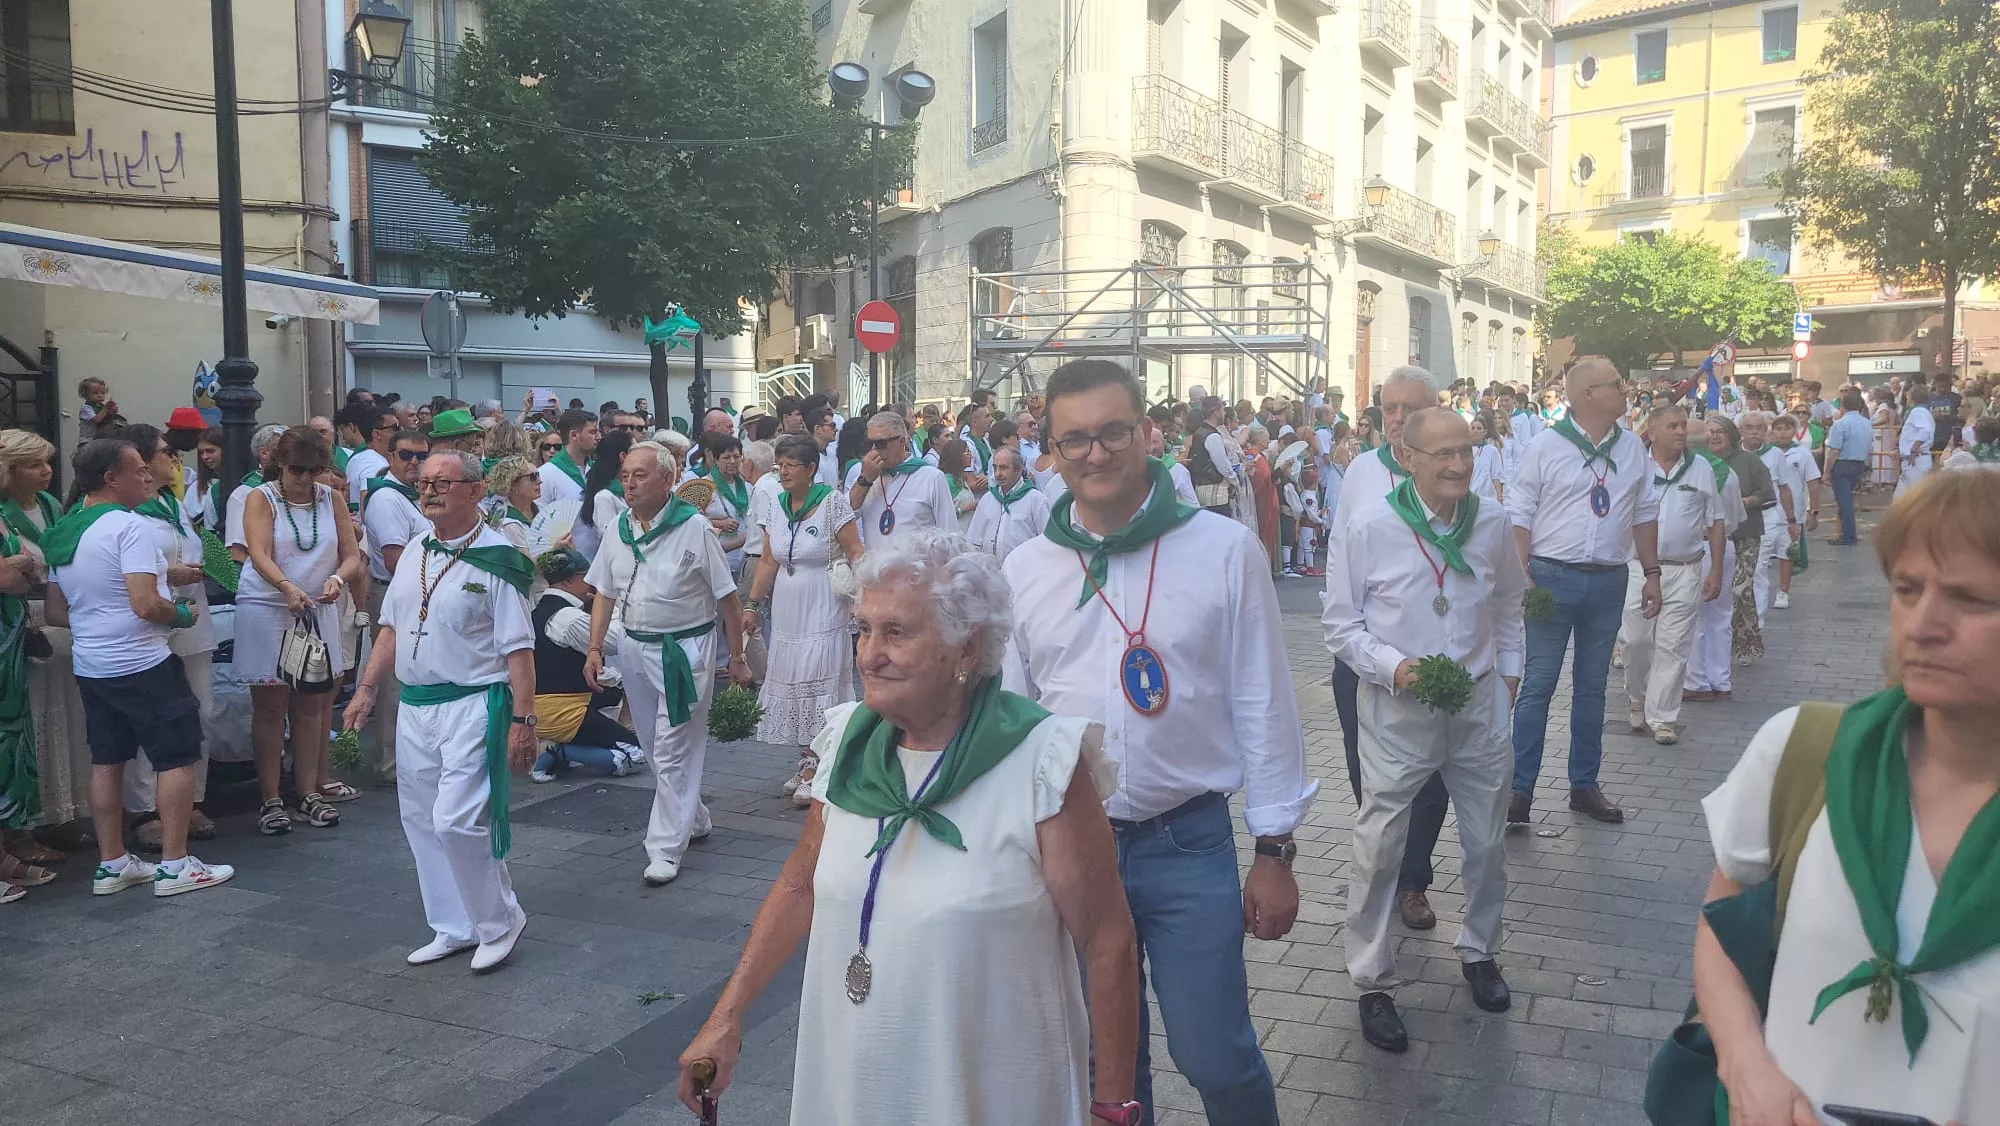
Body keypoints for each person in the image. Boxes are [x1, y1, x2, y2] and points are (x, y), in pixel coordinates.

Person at [676, 528, 1140, 1124]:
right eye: (864, 629)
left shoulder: (1041, 761)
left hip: (988, 1087)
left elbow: (1107, 940)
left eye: (896, 632)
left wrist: (1113, 1106)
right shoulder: (847, 741)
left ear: (967, 649)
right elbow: (799, 886)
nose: (869, 654)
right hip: (854, 1075)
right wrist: (726, 1016)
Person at [1003, 358, 1315, 1126]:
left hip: (1187, 842)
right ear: (1051, 450)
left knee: (1216, 1056)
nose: (1095, 453)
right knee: (1105, 1068)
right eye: (1074, 439)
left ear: (1146, 432)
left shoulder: (1223, 549)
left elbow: (1263, 700)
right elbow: (1013, 719)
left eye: (1113, 432)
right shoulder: (1027, 567)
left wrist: (1274, 848)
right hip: (1074, 845)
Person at [1693, 470, 1998, 1126]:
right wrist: (1743, 1065)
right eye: (1907, 589)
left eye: (1971, 599)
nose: (1923, 625)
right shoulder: (1806, 751)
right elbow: (1720, 927)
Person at [1323, 408, 1525, 1052]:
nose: (1459, 465)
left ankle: (1480, 950)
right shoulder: (1370, 526)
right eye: (1443, 454)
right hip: (1397, 707)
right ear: (1407, 457)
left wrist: (1509, 676)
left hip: (1478, 704)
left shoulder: (1491, 522)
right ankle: (1371, 979)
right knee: (1381, 841)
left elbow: (1508, 604)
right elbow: (1340, 627)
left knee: (1486, 839)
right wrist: (1394, 667)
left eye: (1466, 451)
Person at [342, 450, 536, 972]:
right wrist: (366, 688)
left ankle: (500, 920)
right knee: (421, 820)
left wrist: (524, 720)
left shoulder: (499, 558)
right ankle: (454, 925)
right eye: (424, 482)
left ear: (475, 490)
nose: (428, 491)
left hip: (473, 703)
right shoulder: (414, 550)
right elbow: (391, 628)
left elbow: (518, 648)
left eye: (442, 483)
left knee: (455, 821)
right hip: (416, 705)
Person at [43, 439, 233, 897]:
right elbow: (146, 604)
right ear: (112, 478)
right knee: (177, 756)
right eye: (139, 470)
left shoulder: (65, 529)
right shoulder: (129, 527)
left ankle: (112, 862)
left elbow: (55, 610)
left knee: (107, 759)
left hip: (93, 664)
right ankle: (175, 864)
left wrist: (99, 621)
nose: (148, 477)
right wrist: (181, 614)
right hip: (142, 660)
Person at [583, 441, 752, 885]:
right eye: (625, 476)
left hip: (684, 652)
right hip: (633, 647)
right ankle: (692, 817)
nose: (630, 484)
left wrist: (737, 656)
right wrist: (595, 648)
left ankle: (663, 848)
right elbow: (604, 593)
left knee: (672, 746)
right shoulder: (618, 528)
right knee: (651, 741)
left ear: (667, 480)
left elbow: (727, 599)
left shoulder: (695, 528)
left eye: (640, 475)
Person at [1507, 357, 1664, 826]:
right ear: (1588, 395)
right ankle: (1518, 790)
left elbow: (1645, 512)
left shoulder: (1631, 447)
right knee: (1538, 684)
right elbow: (1519, 510)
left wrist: (1652, 572)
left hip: (1609, 579)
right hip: (1550, 577)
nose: (1626, 389)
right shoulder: (1545, 446)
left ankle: (1584, 785)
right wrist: (1521, 572)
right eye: (1617, 384)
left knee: (1593, 688)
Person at [1326, 368, 1454, 931]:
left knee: (1431, 774)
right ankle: (1382, 866)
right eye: (1389, 408)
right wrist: (1345, 632)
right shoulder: (1361, 471)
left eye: (1410, 408)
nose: (1397, 418)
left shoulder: (1454, 469)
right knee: (1366, 766)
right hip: (1363, 653)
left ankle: (1413, 880)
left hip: (1431, 653)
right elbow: (1338, 553)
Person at [234, 427, 365, 835]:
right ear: (280, 464)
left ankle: (308, 791)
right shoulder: (262, 497)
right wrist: (285, 586)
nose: (305, 479)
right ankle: (271, 796)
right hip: (269, 606)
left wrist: (338, 579)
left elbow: (350, 555)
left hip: (316, 606)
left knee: (312, 705)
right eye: (296, 470)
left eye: (313, 470)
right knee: (271, 708)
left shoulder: (331, 498)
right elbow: (258, 552)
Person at [743, 434, 865, 804]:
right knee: (794, 678)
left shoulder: (832, 502)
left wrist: (864, 600)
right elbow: (769, 559)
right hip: (788, 606)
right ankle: (807, 759)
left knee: (818, 676)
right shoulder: (777, 504)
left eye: (791, 466)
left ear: (811, 469)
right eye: (779, 466)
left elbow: (856, 551)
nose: (783, 472)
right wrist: (752, 604)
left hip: (823, 600)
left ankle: (818, 763)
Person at [120, 426, 221, 848]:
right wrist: (167, 574)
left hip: (192, 616)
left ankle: (191, 799)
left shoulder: (170, 502)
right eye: (166, 453)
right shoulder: (129, 510)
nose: (174, 458)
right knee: (153, 715)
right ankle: (146, 808)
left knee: (202, 710)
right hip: (154, 620)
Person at [0, 431, 92, 858]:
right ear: (11, 469)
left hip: (58, 615)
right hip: (24, 618)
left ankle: (63, 812)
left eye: (46, 462)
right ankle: (25, 824)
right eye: (34, 464)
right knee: (31, 721)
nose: (46, 471)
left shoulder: (52, 506)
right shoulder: (4, 512)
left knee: (65, 716)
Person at [1619, 406, 1725, 744]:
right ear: (1651, 432)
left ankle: (1663, 717)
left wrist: (1716, 569)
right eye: (1672, 426)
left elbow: (1715, 521)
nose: (1680, 432)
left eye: (1682, 426)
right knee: (1635, 641)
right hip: (1637, 569)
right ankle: (1637, 695)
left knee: (1673, 645)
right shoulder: (1634, 466)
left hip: (1685, 568)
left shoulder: (1701, 468)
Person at [526, 549, 644, 782]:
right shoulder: (567, 618)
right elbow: (616, 641)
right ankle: (557, 750)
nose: (593, 581)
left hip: (550, 706)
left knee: (613, 693)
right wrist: (608, 606)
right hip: (563, 712)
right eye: (587, 576)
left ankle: (567, 749)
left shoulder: (541, 610)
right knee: (636, 754)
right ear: (570, 580)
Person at [359, 428, 432, 785]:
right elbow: (394, 560)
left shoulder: (411, 494)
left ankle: (405, 758)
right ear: (390, 457)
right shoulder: (388, 498)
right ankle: (390, 763)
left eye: (421, 456)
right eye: (406, 455)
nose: (414, 462)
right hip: (396, 593)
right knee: (394, 682)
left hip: (415, 591)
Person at [1707, 415, 1774, 667]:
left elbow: (1767, 493)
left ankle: (1745, 643)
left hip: (1745, 533)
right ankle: (1717, 643)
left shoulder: (1748, 461)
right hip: (1712, 537)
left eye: (1720, 431)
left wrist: (1744, 501)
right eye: (1710, 431)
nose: (1715, 436)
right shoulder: (1700, 461)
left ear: (1731, 434)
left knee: (1740, 588)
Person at [846, 411, 958, 551]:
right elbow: (843, 517)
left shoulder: (931, 477)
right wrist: (865, 480)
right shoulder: (865, 475)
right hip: (874, 563)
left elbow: (949, 535)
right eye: (869, 444)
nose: (873, 450)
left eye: (880, 443)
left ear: (902, 442)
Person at [1742, 411, 1803, 628]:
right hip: (1738, 518)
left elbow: (1784, 488)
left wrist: (1791, 520)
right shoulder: (1733, 454)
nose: (1754, 432)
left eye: (1759, 428)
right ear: (1741, 430)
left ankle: (1756, 619)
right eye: (1749, 428)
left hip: (1767, 517)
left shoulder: (1775, 454)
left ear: (1765, 431)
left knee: (1758, 568)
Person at [967, 445, 1053, 561]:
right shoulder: (988, 499)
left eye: (1004, 468)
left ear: (1018, 469)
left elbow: (1047, 540)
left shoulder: (1035, 500)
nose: (998, 474)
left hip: (1022, 568)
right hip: (990, 569)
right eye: (995, 468)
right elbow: (974, 540)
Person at [1770, 413, 1820, 609]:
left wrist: (1813, 511)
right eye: (1778, 429)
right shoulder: (1766, 453)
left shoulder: (1803, 454)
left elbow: (1813, 483)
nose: (1782, 433)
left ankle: (1783, 591)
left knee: (1787, 553)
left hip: (1792, 513)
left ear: (1794, 431)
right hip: (1767, 511)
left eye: (1787, 428)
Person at [1823, 389, 1872, 545]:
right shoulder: (1866, 423)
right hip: (1859, 462)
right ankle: (1847, 532)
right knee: (1847, 498)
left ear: (1843, 406)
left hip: (1843, 463)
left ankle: (1848, 535)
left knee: (1844, 501)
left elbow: (1834, 451)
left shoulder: (1841, 424)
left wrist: (1826, 472)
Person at [538, 409, 599, 506]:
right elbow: (540, 514)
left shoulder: (598, 469)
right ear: (574, 435)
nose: (598, 437)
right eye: (592, 432)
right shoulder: (545, 473)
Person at [343, 403, 398, 506]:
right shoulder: (372, 463)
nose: (399, 432)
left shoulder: (362, 457)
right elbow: (371, 503)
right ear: (377, 434)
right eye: (395, 428)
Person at [1894, 384, 1936, 497]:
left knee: (1915, 498)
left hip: (1916, 459)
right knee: (1900, 499)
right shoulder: (1921, 411)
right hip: (1913, 460)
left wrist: (1913, 448)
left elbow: (1925, 430)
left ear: (1911, 397)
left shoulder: (1918, 411)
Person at [1470, 409, 1507, 502]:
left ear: (1485, 431)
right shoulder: (1464, 449)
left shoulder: (1491, 450)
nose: (1475, 431)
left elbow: (1496, 476)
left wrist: (1499, 496)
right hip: (1469, 496)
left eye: (1479, 428)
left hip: (1487, 496)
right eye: (1473, 428)